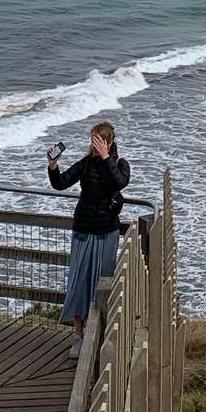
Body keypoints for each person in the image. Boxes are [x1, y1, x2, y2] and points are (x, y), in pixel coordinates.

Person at [48, 121, 132, 352]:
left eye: (100, 141)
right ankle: (79, 336)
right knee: (80, 282)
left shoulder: (120, 164)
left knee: (103, 283)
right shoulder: (85, 164)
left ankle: (102, 335)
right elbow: (60, 183)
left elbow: (120, 182)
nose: (95, 146)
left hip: (107, 230)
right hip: (84, 229)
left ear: (109, 141)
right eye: (93, 140)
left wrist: (106, 158)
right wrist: (53, 165)